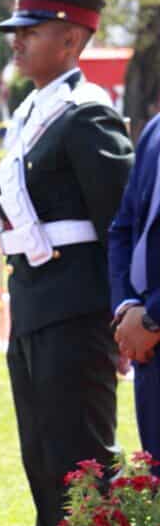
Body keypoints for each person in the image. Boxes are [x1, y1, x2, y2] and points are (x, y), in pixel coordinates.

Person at [0, 0, 133, 526]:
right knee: (42, 451)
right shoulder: (34, 110)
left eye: (31, 31)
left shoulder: (86, 115)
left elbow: (121, 222)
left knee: (80, 455)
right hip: (36, 301)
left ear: (71, 41)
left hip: (77, 307)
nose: (17, 41)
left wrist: (121, 308)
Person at [108, 106, 160, 451]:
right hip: (148, 347)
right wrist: (127, 306)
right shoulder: (155, 129)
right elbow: (123, 229)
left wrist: (152, 317)